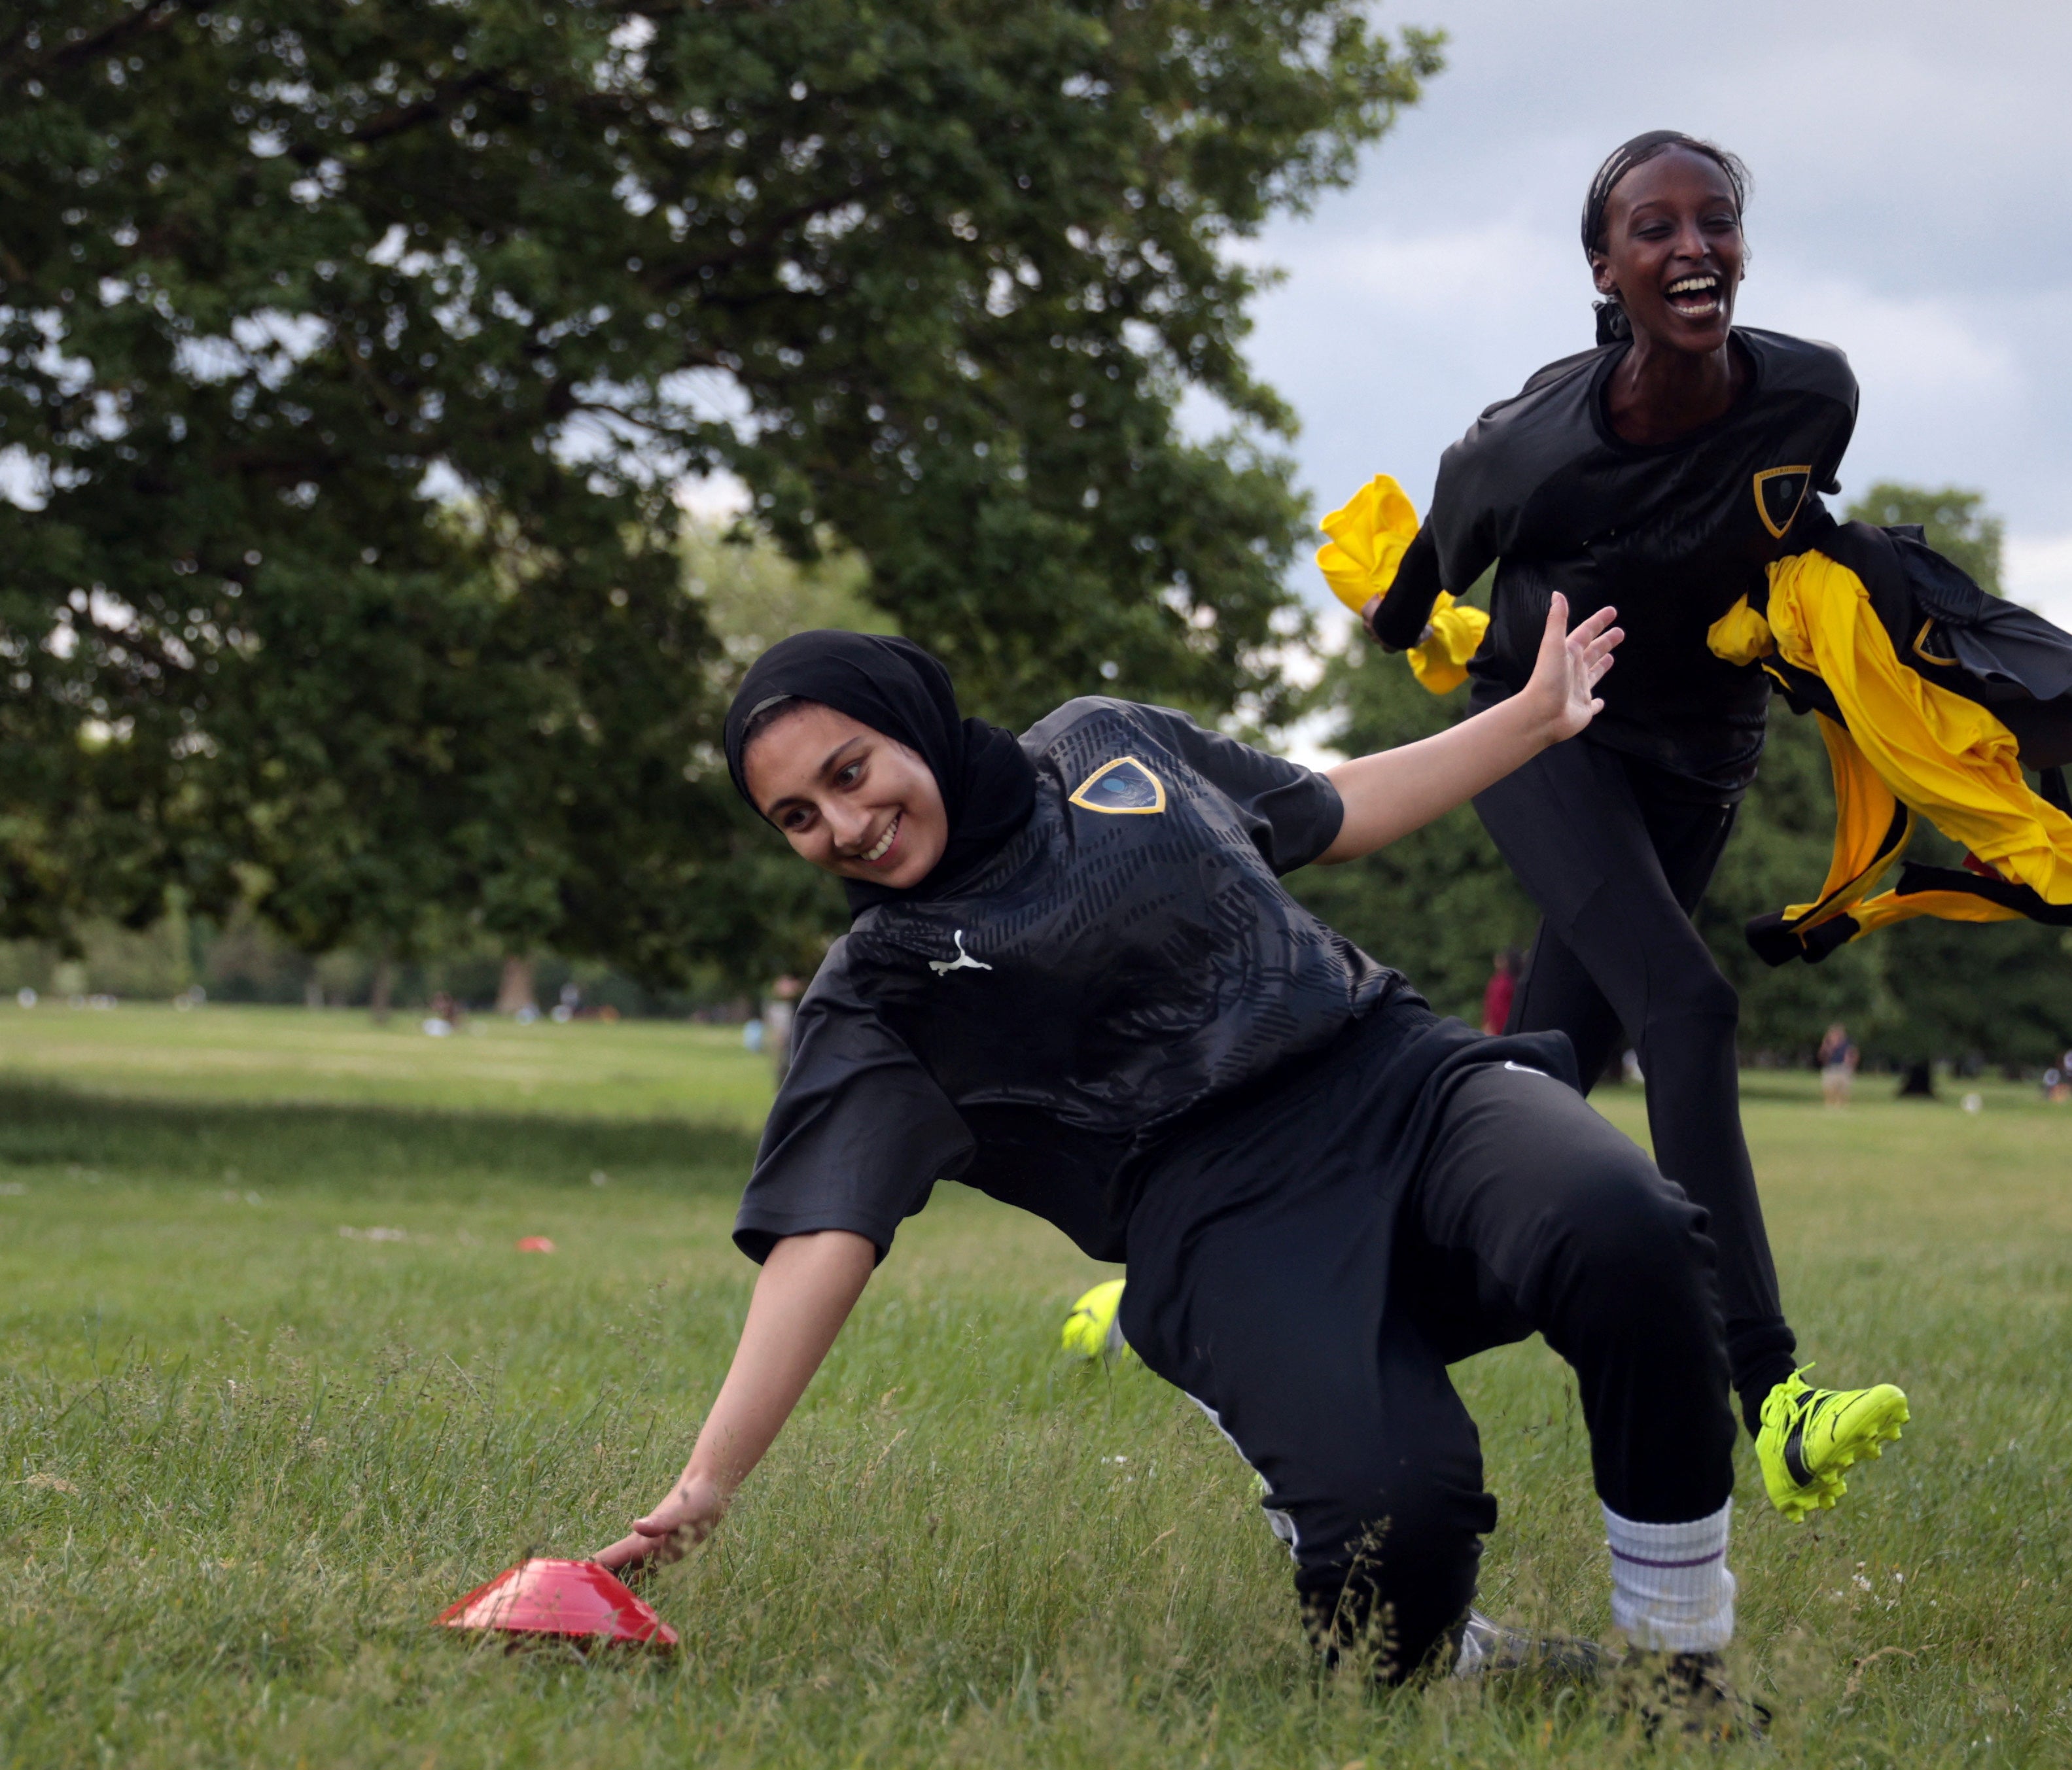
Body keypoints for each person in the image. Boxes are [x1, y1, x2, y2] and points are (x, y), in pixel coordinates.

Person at [596, 609, 1763, 1725]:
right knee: (1386, 1582)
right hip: (1218, 1218)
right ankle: (1449, 1645)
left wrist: (1525, 719)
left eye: (849, 773)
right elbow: (821, 1231)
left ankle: (1675, 1670)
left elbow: (1321, 808)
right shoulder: (879, 986)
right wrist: (708, 1482)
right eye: (797, 817)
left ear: (911, 718)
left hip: (1392, 1079)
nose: (842, 826)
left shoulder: (1108, 740)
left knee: (1625, 1224)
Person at [1356, 130, 1906, 1518]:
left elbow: (1792, 540)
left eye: (1712, 222)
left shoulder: (1813, 395)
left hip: (1701, 761)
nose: (1691, 248)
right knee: (1690, 1006)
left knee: (1536, 1081)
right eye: (1652, 230)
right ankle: (1774, 1390)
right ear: (1605, 271)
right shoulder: (1521, 446)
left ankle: (1308, 1295)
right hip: (1542, 728)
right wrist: (1442, 637)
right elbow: (1413, 598)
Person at [1481, 947, 1521, 1037]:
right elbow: (1489, 1004)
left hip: (1507, 1029)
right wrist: (1487, 1024)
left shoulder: (1510, 981)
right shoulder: (1498, 980)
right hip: (1496, 1029)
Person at [1817, 1023, 1856, 1108]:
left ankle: (1841, 1105)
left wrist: (1851, 1064)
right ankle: (1830, 1104)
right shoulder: (1828, 1043)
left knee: (1842, 1088)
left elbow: (1853, 1053)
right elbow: (1822, 1055)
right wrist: (1827, 1046)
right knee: (1829, 1087)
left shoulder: (1847, 1043)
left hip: (1843, 1067)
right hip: (1830, 1067)